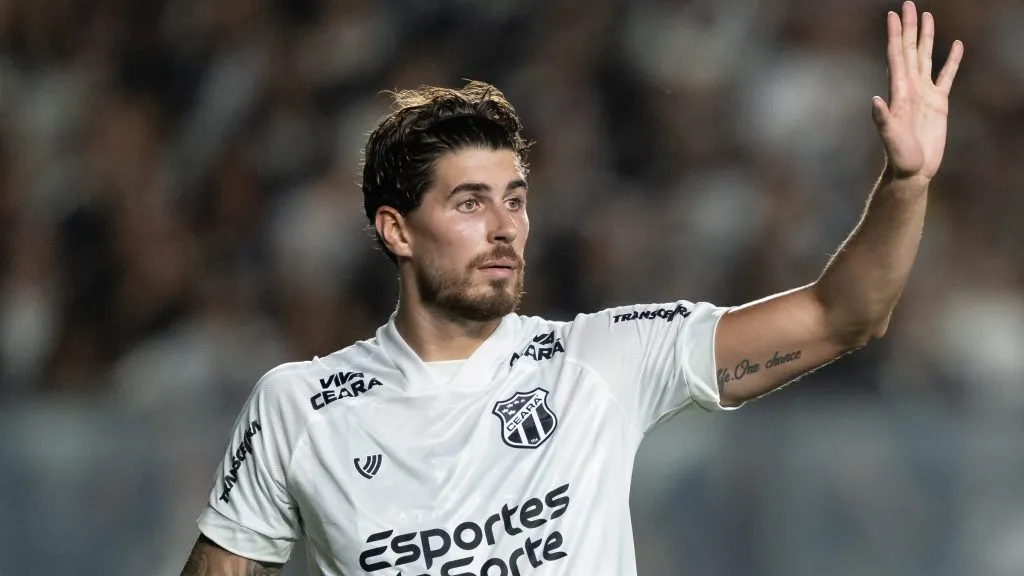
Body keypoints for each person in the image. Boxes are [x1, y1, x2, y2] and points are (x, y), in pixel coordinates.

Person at [180, 3, 963, 574]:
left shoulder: (601, 359)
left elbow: (843, 315)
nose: (505, 226)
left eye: (515, 198)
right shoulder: (300, 408)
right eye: (469, 202)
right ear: (396, 230)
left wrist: (906, 180)